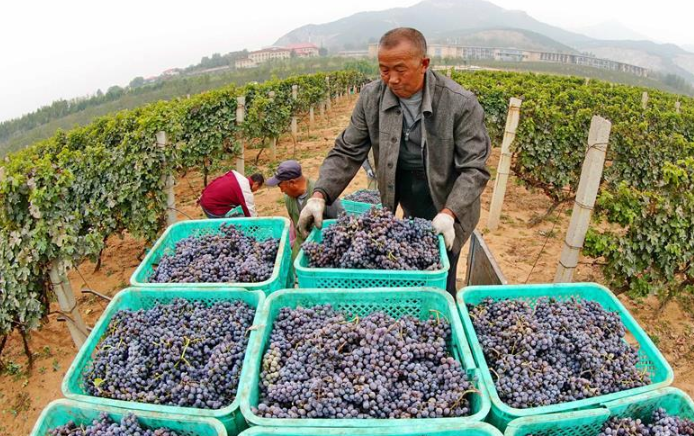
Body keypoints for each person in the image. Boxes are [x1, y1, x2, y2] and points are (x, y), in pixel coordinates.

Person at [297, 27, 491, 296]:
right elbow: (347, 151)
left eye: (401, 69)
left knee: (441, 263)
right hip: (405, 189)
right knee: (409, 253)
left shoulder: (460, 103)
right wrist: (319, 195)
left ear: (424, 64)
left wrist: (450, 213)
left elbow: (474, 169)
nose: (393, 79)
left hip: (450, 195)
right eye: (384, 70)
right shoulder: (371, 98)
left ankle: (442, 299)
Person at [266, 160, 343, 257]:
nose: (281, 191)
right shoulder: (288, 199)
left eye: (280, 186)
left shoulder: (323, 194)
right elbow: (294, 221)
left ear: (292, 183)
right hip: (301, 248)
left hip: (323, 250)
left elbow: (342, 222)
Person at [198, 170, 264, 218]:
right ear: (256, 184)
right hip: (211, 207)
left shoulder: (236, 176)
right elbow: (250, 213)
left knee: (237, 209)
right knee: (239, 219)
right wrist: (257, 226)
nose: (256, 190)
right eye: (258, 188)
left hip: (205, 198)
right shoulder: (245, 190)